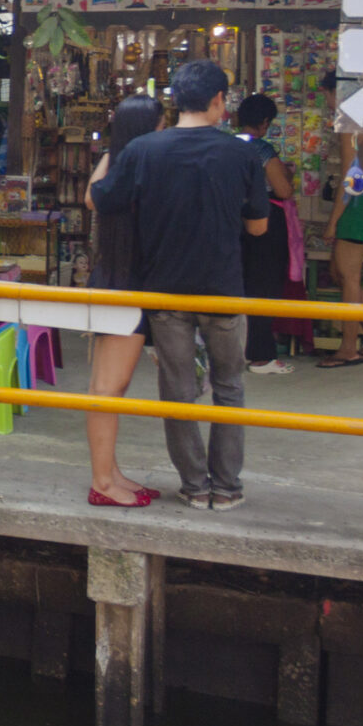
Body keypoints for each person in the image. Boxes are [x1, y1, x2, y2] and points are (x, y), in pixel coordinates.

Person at [88, 60, 268, 512]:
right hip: (223, 290)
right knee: (229, 387)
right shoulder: (244, 153)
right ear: (218, 102)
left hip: (164, 292)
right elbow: (260, 227)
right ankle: (226, 487)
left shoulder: (143, 149)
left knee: (178, 388)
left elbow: (101, 199)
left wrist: (113, 151)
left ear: (176, 101)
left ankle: (194, 485)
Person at [81, 93, 167, 507]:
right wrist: (125, 148)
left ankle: (111, 472)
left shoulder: (125, 168)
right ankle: (102, 482)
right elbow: (92, 198)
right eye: (162, 124)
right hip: (125, 286)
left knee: (110, 385)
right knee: (107, 388)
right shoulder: (142, 167)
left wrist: (119, 148)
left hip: (113, 281)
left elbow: (92, 195)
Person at [318, 71, 363, 368]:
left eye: (326, 94)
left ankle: (349, 348)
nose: (326, 101)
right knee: (343, 273)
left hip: (359, 200)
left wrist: (334, 221)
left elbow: (351, 180)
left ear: (334, 92)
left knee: (348, 277)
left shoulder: (348, 122)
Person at [235, 94, 299, 374]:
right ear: (263, 122)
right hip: (265, 221)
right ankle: (261, 355)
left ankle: (239, 350)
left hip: (233, 220)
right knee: (264, 286)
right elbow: (283, 190)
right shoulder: (261, 149)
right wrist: (288, 175)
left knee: (241, 285)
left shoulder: (228, 144)